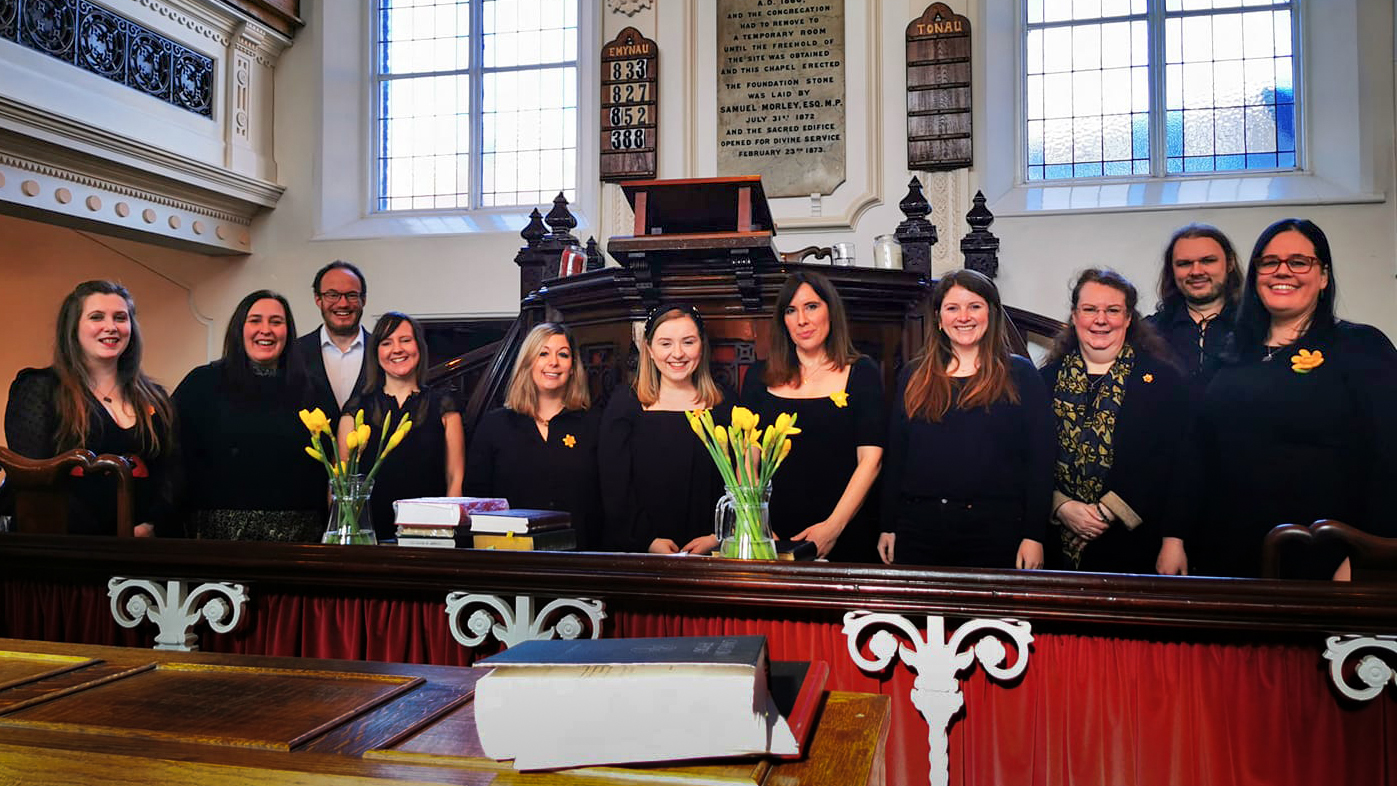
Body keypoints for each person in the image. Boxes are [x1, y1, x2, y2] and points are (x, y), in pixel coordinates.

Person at [1188, 218, 1397, 579]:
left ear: (1324, 275)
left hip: (1322, 556)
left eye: (1299, 262)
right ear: (1256, 274)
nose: (1281, 271)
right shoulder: (1230, 352)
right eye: (1269, 262)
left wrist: (1364, 556)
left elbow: (1390, 458)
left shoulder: (1360, 346)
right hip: (1226, 555)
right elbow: (1197, 447)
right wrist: (1178, 536)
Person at [880, 270, 1053, 570]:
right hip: (918, 531)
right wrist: (887, 525)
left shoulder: (1021, 375)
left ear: (992, 313)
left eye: (974, 306)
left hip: (996, 533)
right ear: (938, 317)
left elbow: (1042, 460)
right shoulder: (913, 374)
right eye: (952, 308)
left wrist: (1034, 535)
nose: (964, 317)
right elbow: (897, 456)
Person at [1040, 269, 1192, 574]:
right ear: (1074, 316)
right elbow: (1028, 459)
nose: (1101, 320)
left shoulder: (1162, 380)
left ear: (1128, 318)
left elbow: (1177, 464)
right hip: (1055, 544)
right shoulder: (1045, 380)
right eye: (1090, 310)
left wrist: (1172, 540)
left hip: (1137, 544)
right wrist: (1060, 506)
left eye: (1112, 311)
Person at [4, 281, 175, 536]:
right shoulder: (41, 388)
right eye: (97, 317)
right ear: (73, 328)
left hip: (141, 548)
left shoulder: (156, 397)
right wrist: (102, 536)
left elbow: (172, 472)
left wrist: (150, 524)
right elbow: (35, 477)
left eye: (120, 318)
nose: (111, 327)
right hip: (64, 546)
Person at [739, 272, 883, 561]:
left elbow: (871, 461)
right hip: (773, 537)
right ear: (783, 321)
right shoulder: (759, 376)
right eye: (791, 311)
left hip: (845, 534)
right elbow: (747, 460)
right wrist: (760, 526)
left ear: (831, 310)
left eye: (812, 306)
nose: (802, 320)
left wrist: (832, 528)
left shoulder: (862, 373)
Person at [173, 290, 327, 541]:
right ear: (239, 329)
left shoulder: (313, 390)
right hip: (217, 534)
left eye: (276, 322)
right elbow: (174, 456)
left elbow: (327, 467)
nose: (265, 329)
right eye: (255, 320)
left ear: (287, 332)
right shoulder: (201, 383)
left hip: (298, 536)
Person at [599, 304, 732, 554]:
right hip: (641, 554)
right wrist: (647, 541)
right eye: (666, 343)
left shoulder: (725, 406)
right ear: (649, 349)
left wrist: (717, 537)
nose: (678, 354)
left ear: (701, 346)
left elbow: (740, 486)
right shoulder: (624, 406)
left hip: (712, 554)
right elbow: (614, 487)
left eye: (688, 342)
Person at [465, 322, 600, 549]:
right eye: (543, 353)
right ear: (528, 362)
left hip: (579, 559)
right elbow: (477, 501)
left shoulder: (594, 424)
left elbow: (604, 502)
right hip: (510, 557)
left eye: (563, 355)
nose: (553, 362)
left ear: (573, 366)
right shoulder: (494, 426)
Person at [339, 312, 464, 542]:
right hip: (368, 534)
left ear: (419, 346)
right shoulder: (356, 408)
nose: (397, 349)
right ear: (376, 353)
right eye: (387, 343)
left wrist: (448, 533)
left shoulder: (445, 405)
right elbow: (341, 482)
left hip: (429, 534)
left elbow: (455, 477)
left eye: (405, 340)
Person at [1144, 224, 1242, 400]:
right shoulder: (1149, 332)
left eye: (1208, 261)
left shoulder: (1255, 327)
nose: (1196, 271)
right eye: (1184, 264)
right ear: (1172, 270)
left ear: (1230, 264)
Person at [296, 261, 370, 418]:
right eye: (332, 295)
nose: (343, 303)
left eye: (351, 295)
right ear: (318, 299)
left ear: (363, 300)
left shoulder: (382, 352)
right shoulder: (294, 352)